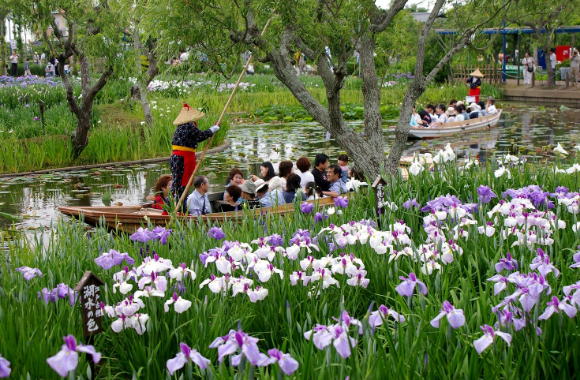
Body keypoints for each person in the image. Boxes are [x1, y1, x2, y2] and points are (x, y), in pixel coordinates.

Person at [170, 103, 220, 203]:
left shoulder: (180, 127)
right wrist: (214, 128)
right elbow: (200, 136)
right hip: (183, 159)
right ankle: (180, 206)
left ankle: (175, 204)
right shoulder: (188, 126)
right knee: (182, 184)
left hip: (176, 158)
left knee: (177, 183)